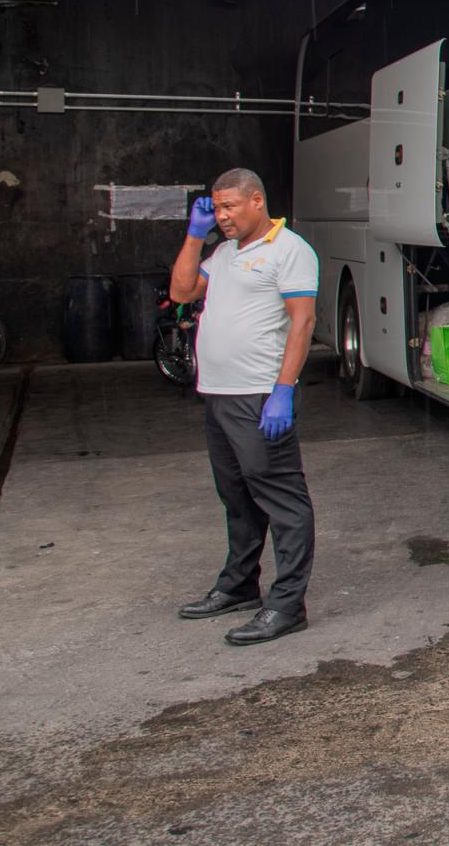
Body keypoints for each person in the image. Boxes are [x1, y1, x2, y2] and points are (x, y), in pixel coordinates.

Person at [167, 167, 319, 645]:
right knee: (236, 497)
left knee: (282, 500)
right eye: (216, 208)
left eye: (230, 207)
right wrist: (195, 237)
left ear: (257, 201)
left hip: (259, 394)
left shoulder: (289, 250)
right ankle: (238, 586)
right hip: (218, 393)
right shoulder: (224, 252)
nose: (223, 216)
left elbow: (302, 321)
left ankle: (287, 605)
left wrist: (284, 389)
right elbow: (181, 292)